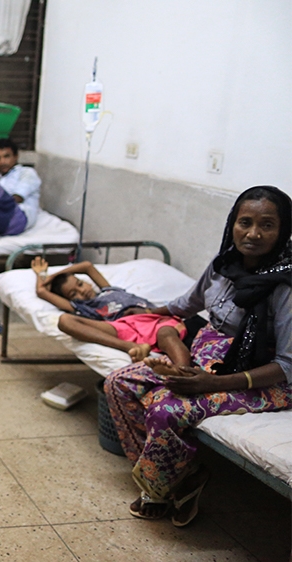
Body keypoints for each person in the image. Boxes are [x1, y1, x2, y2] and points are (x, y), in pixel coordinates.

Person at [104, 186, 292, 527]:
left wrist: (214, 382)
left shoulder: (285, 287)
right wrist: (142, 311)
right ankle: (184, 476)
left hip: (260, 375)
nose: (253, 233)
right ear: (231, 224)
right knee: (119, 383)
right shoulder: (223, 266)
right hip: (209, 357)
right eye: (244, 222)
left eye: (267, 225)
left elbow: (286, 365)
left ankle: (160, 487)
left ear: (284, 231)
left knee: (164, 407)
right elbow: (187, 304)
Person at [31, 256, 189, 363]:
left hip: (148, 317)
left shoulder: (108, 290)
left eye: (80, 284)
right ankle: (130, 347)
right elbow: (41, 291)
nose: (82, 291)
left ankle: (182, 373)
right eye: (74, 294)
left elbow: (87, 266)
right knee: (65, 320)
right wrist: (41, 275)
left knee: (166, 335)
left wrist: (53, 275)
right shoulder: (82, 307)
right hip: (120, 326)